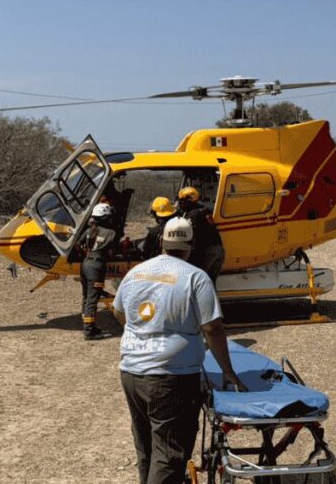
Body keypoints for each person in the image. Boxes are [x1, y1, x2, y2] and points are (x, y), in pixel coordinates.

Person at [113, 217, 246, 484]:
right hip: (170, 376)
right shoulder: (195, 277)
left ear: (161, 241)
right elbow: (212, 329)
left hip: (131, 372)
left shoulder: (135, 273)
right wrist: (228, 371)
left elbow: (118, 312)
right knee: (170, 451)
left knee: (146, 443)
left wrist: (144, 334)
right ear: (191, 245)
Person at [80, 202, 117, 341]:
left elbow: (79, 244)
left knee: (86, 297)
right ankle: (89, 332)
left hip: (85, 265)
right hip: (96, 267)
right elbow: (112, 252)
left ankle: (88, 325)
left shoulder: (89, 230)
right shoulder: (111, 233)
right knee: (92, 299)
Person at [175, 186, 225, 286]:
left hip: (207, 253)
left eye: (181, 202)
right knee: (210, 284)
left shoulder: (193, 215)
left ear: (188, 202)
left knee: (198, 282)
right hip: (218, 250)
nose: (180, 204)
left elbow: (190, 236)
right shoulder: (203, 211)